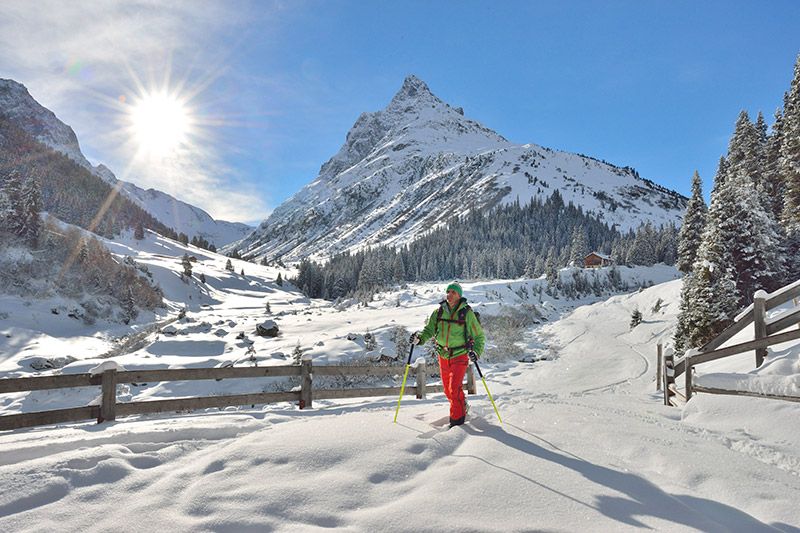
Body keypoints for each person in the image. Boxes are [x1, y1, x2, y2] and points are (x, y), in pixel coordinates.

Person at [411, 282, 485, 427]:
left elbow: (479, 337)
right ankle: (463, 406)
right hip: (443, 355)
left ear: (459, 296)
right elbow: (429, 331)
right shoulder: (438, 312)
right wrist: (419, 339)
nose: (449, 294)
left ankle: (457, 422)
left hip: (460, 355)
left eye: (453, 292)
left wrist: (476, 351)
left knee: (454, 388)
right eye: (448, 291)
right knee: (448, 390)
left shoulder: (467, 313)